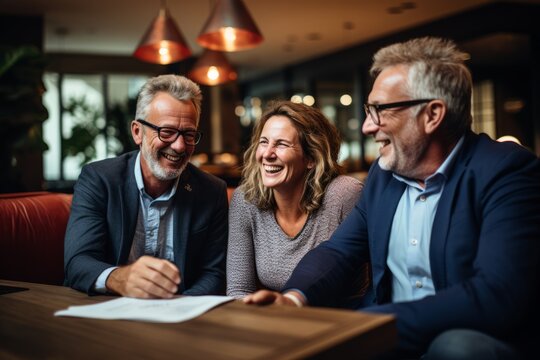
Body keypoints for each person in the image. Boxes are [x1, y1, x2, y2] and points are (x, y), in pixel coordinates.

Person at [244, 37, 540, 358]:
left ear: (432, 115)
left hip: (470, 339)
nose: (369, 126)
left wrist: (370, 324)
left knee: (455, 348)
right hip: (389, 339)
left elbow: (495, 295)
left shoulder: (507, 171)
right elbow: (339, 251)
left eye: (379, 110)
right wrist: (293, 299)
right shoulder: (383, 177)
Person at [64, 75, 228, 298]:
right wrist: (120, 279)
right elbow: (77, 263)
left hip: (182, 317)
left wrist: (180, 308)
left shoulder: (212, 191)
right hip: (109, 311)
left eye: (189, 134)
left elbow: (213, 274)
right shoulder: (99, 180)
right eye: (167, 132)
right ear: (137, 132)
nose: (179, 146)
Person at [227, 100, 363, 299]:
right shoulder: (246, 200)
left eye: (281, 144)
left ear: (311, 158)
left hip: (342, 320)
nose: (267, 154)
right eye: (264, 142)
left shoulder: (344, 194)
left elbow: (361, 288)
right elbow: (239, 290)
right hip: (280, 320)